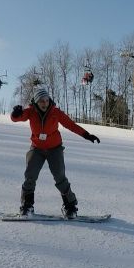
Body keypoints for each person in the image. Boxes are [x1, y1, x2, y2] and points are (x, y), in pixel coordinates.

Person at [10, 86, 100, 218]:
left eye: (46, 100)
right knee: (30, 175)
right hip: (37, 148)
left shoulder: (55, 112)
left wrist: (87, 135)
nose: (44, 103)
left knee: (60, 177)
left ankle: (70, 207)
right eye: (41, 101)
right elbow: (17, 118)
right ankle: (27, 206)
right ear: (36, 102)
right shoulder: (31, 111)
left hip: (54, 149)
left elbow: (70, 125)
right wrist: (15, 114)